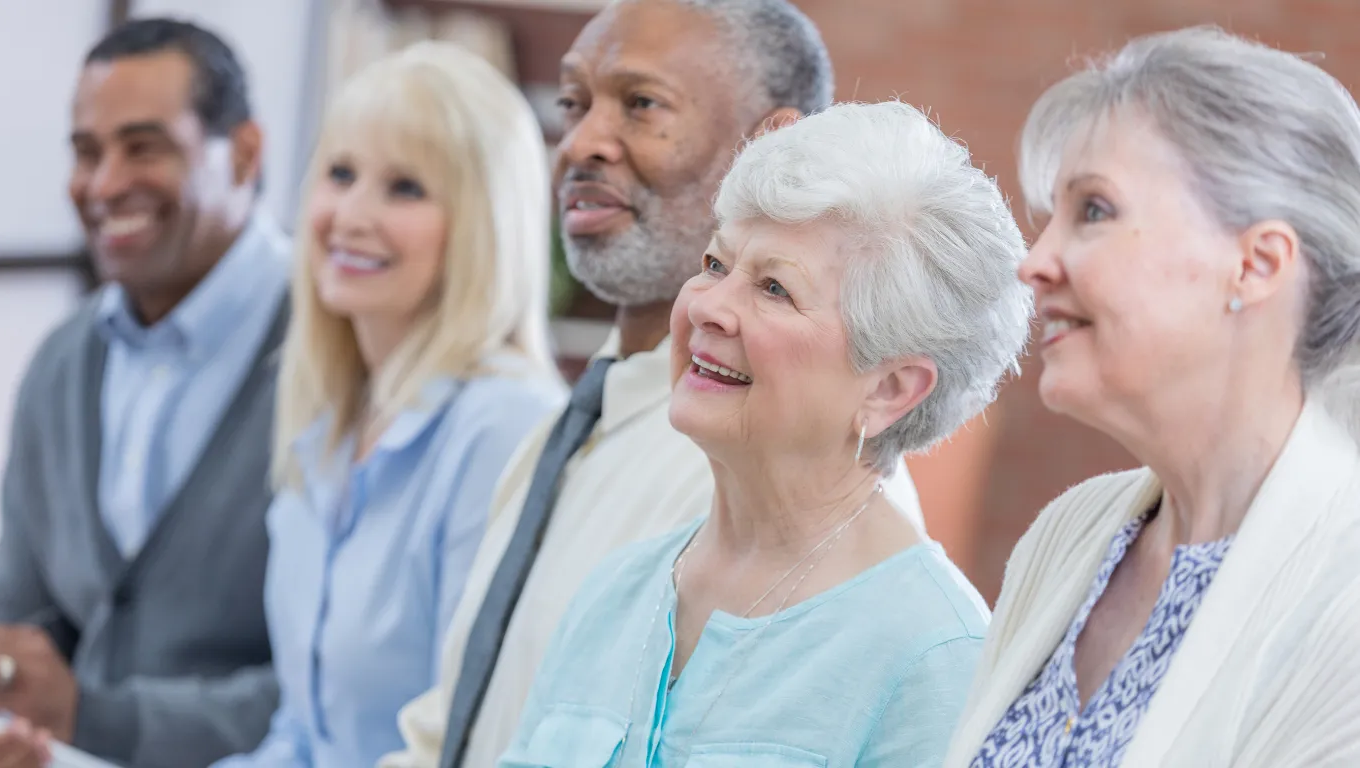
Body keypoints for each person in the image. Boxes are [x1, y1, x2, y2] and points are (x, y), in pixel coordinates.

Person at [381, 2, 926, 767]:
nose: (579, 143)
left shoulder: (781, 480)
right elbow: (456, 728)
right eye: (572, 105)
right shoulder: (569, 425)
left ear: (772, 147)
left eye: (640, 105)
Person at [502, 98, 1031, 766]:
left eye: (774, 288)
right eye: (717, 265)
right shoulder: (619, 589)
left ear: (890, 387)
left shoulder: (934, 657)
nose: (708, 308)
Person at [945, 27, 1360, 768]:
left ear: (1256, 264)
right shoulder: (1066, 534)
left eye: (1094, 211)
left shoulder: (1344, 589)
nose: (1034, 263)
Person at [211, 42, 565, 768]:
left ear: (482, 223)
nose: (350, 215)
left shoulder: (503, 425)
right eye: (340, 173)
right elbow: (304, 739)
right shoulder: (329, 420)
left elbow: (474, 736)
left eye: (405, 187)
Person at [0, 18, 285, 768]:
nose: (104, 184)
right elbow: (29, 611)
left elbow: (351, 693)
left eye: (143, 147)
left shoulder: (345, 355)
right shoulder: (61, 364)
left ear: (245, 153)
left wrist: (97, 716)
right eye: (87, 152)